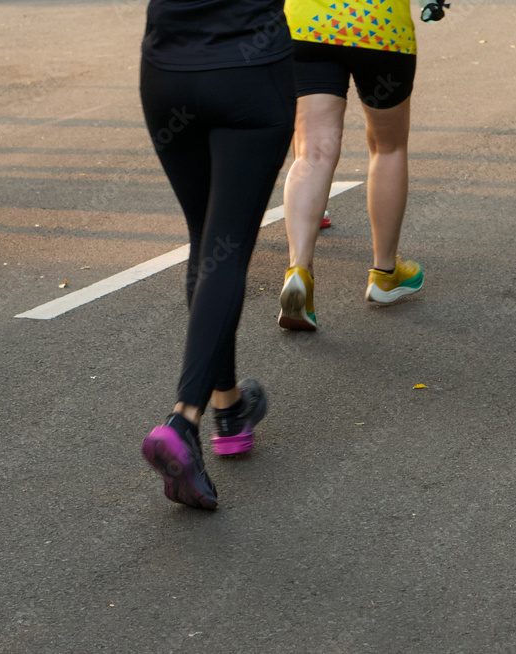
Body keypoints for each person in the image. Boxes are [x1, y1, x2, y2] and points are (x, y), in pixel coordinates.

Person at [138, 0, 296, 508]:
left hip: (168, 73)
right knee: (226, 248)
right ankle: (184, 419)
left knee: (207, 239)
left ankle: (229, 409)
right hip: (250, 73)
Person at [276, 0, 425, 331]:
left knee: (311, 152)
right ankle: (384, 274)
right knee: (388, 147)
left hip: (307, 25)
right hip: (381, 29)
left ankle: (299, 270)